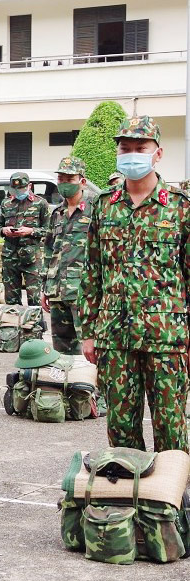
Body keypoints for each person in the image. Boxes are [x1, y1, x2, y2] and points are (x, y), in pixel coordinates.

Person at [79, 115, 190, 453]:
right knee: (121, 429)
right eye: (124, 148)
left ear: (158, 153)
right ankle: (130, 503)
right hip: (115, 337)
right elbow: (92, 272)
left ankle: (175, 503)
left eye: (140, 148)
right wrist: (87, 332)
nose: (132, 155)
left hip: (168, 338)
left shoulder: (180, 208)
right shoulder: (104, 206)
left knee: (171, 428)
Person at [42, 156, 92, 355]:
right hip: (57, 291)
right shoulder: (57, 213)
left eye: (69, 179)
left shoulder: (94, 209)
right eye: (61, 179)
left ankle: (89, 386)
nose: (64, 184)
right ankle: (68, 386)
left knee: (88, 349)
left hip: (82, 291)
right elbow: (49, 250)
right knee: (61, 350)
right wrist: (46, 286)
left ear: (82, 181)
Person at [0, 172, 49, 306]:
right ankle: (13, 325)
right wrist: (4, 230)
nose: (19, 192)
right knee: (11, 299)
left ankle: (34, 324)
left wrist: (31, 231)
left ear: (29, 186)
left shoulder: (40, 203)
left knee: (34, 299)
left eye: (22, 189)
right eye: (16, 189)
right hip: (10, 256)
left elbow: (49, 229)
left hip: (31, 257)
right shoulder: (6, 203)